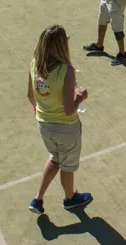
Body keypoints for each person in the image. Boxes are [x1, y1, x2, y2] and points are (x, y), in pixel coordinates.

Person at [27, 25, 93, 214]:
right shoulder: (66, 71)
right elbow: (69, 110)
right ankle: (70, 198)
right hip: (66, 129)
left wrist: (41, 111)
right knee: (67, 166)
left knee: (54, 158)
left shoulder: (34, 64)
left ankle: (37, 199)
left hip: (44, 124)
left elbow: (30, 95)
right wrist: (81, 97)